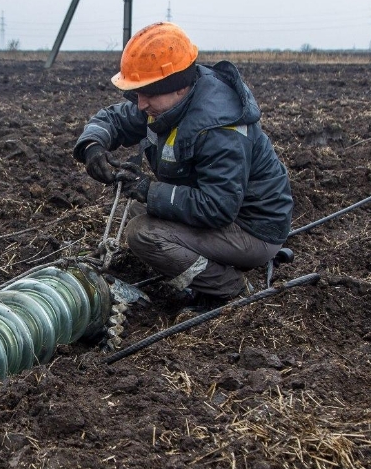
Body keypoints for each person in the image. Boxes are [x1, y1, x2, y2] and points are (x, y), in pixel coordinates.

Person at [73, 22, 293, 311]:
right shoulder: (169, 104)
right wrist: (92, 147)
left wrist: (148, 190)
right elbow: (115, 119)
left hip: (253, 228)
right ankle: (204, 264)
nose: (140, 104)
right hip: (225, 214)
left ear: (178, 87)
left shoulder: (218, 128)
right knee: (140, 211)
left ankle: (228, 288)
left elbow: (218, 207)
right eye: (138, 93)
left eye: (148, 94)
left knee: (145, 233)